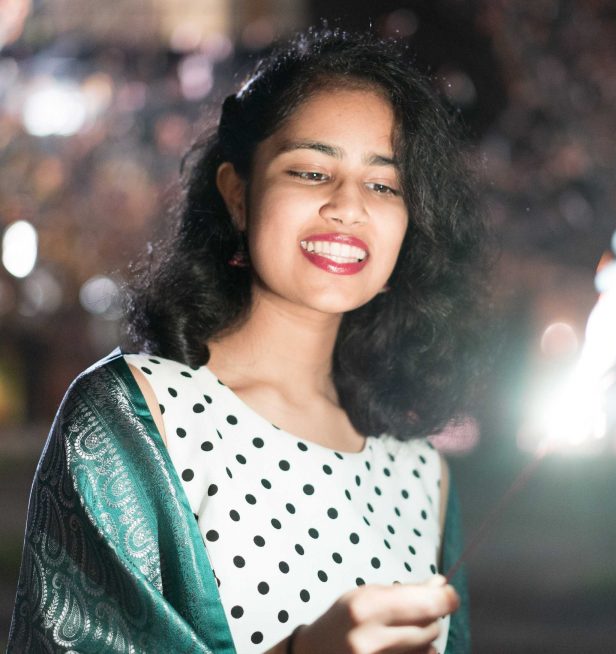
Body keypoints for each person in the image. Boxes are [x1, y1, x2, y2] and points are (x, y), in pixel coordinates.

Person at [8, 28, 487, 654]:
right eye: (312, 171)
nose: (348, 207)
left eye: (384, 185)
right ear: (238, 194)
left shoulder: (422, 474)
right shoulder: (134, 415)